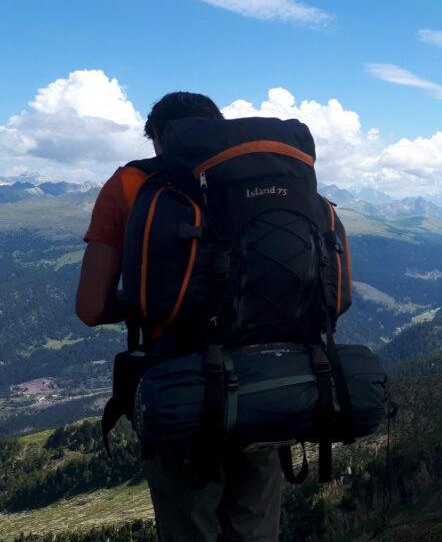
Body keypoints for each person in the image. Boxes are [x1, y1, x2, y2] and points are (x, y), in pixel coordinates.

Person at [76, 92, 285, 542]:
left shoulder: (129, 185)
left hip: (179, 388)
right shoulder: (264, 179)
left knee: (189, 529)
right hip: (270, 386)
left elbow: (90, 308)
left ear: (157, 139)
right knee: (256, 528)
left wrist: (150, 302)